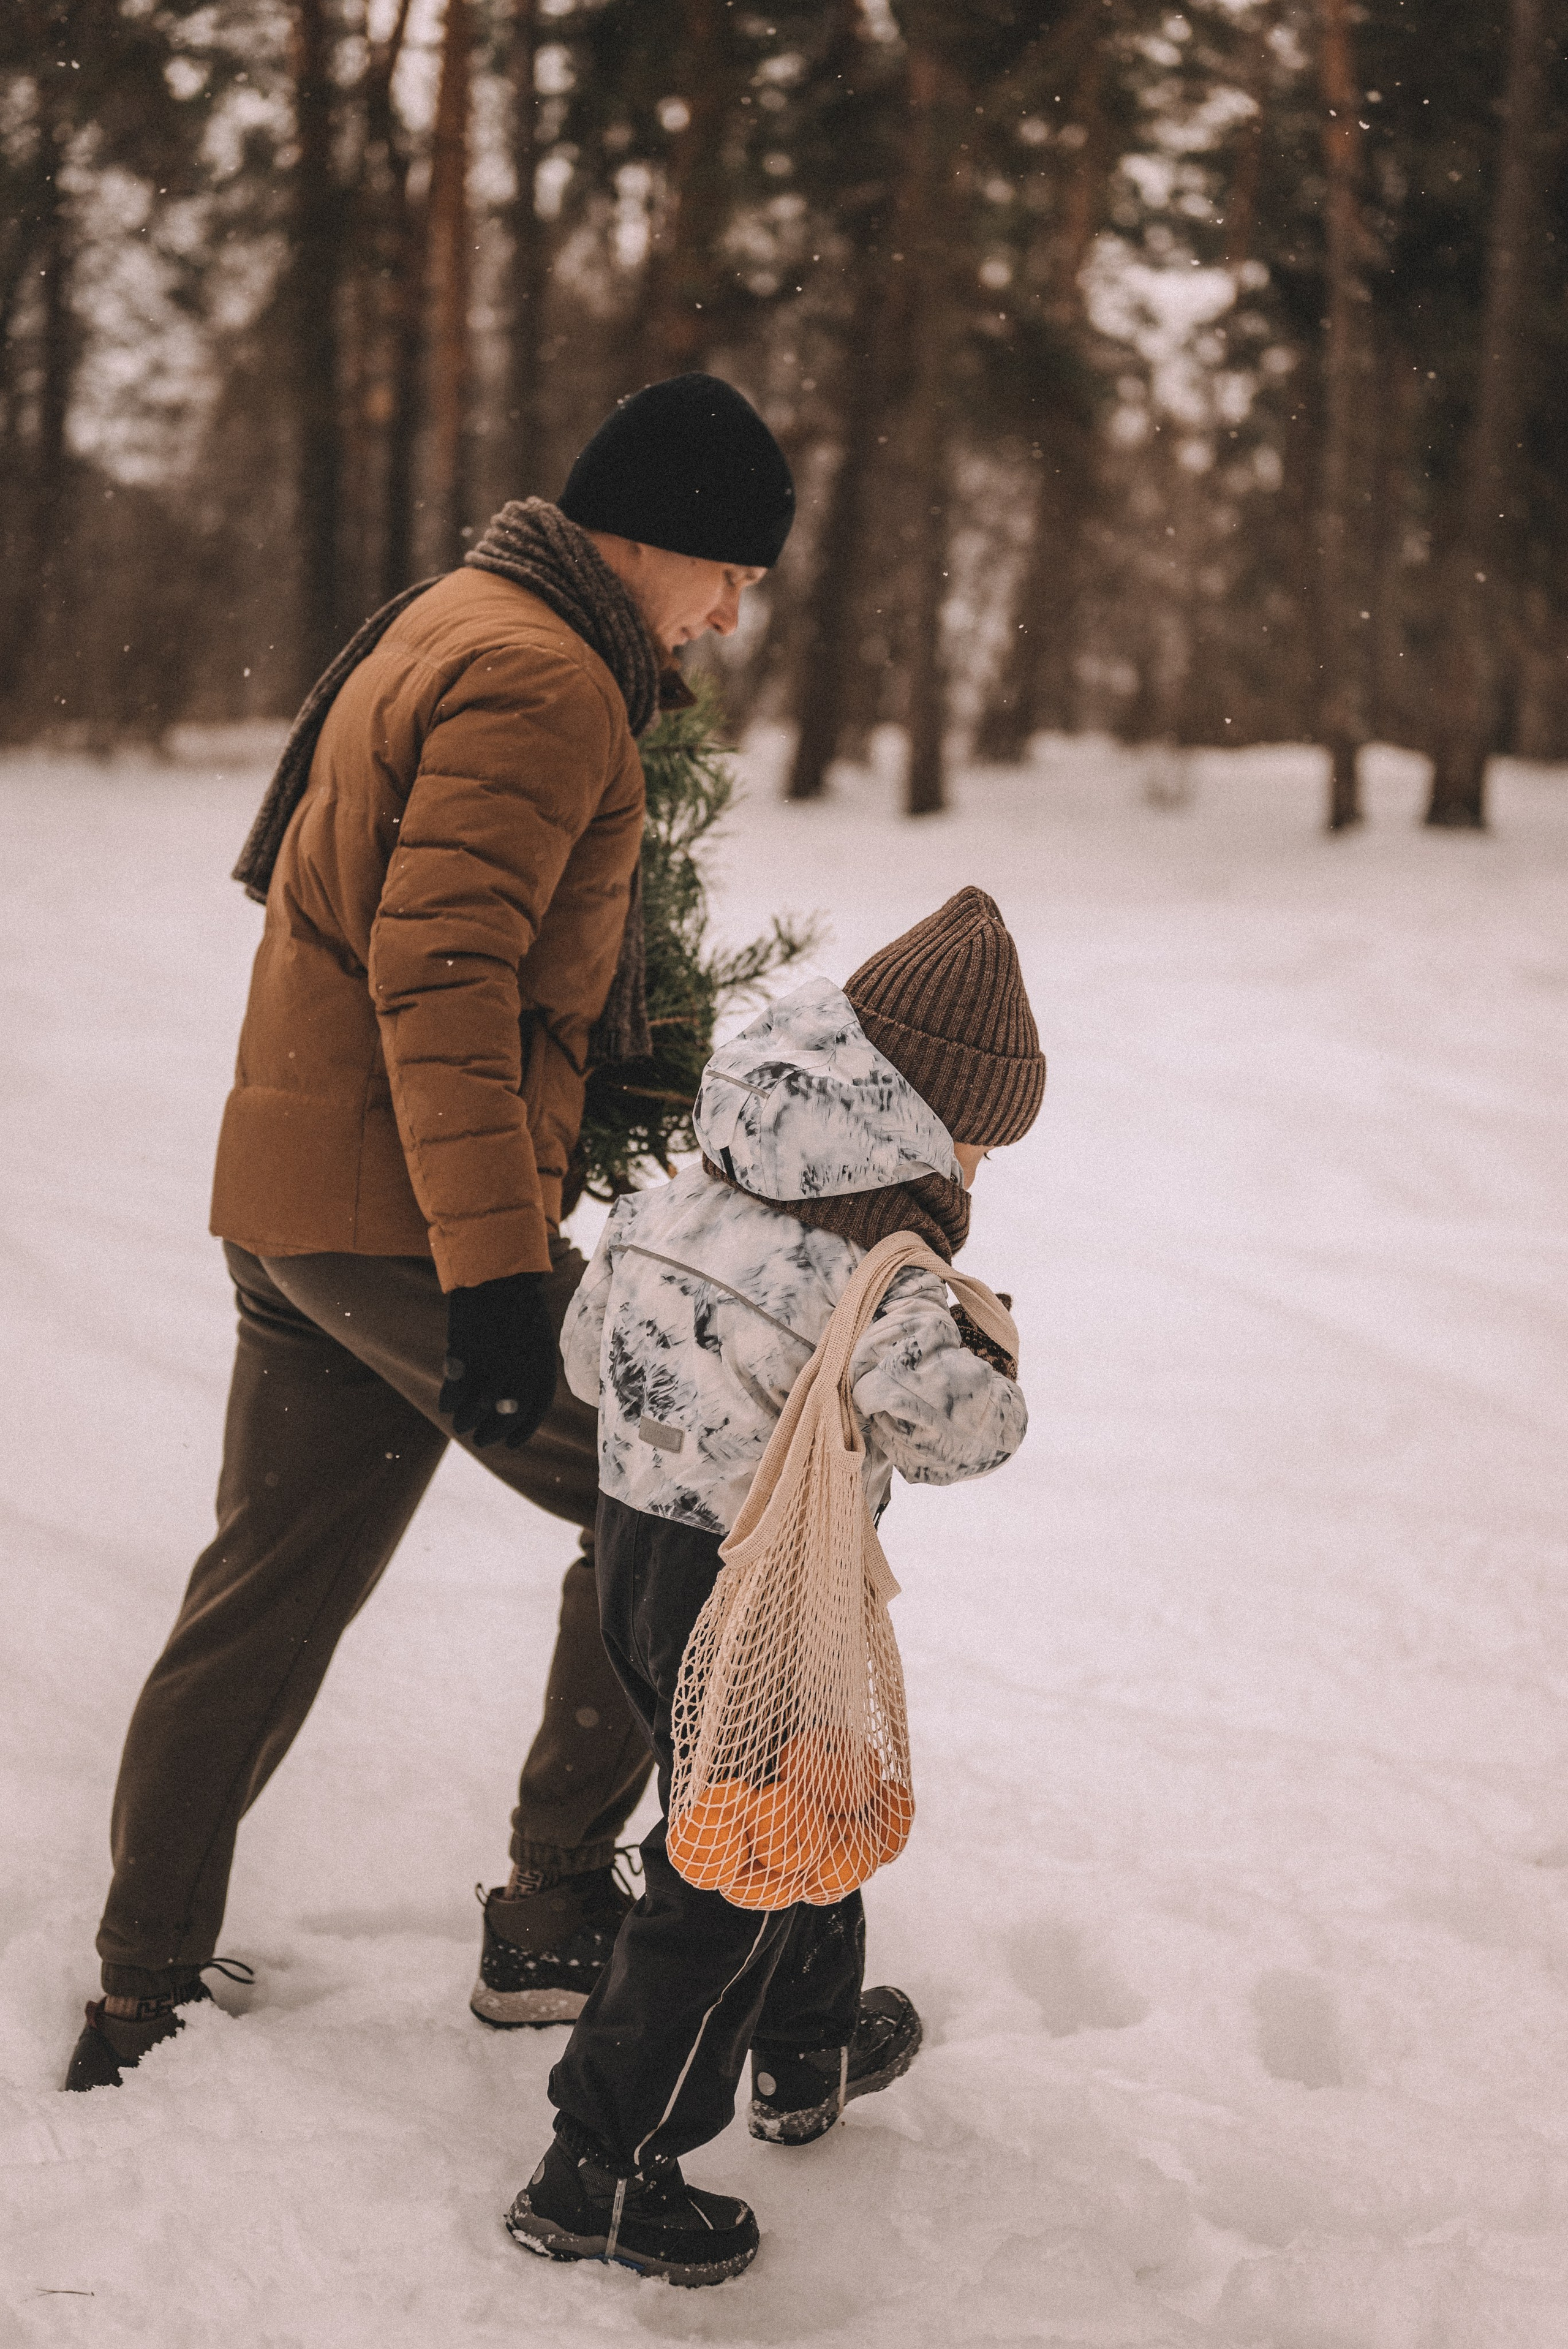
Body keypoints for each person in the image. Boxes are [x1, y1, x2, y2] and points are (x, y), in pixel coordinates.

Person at [65, 374, 795, 2092]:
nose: (734, 608)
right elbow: (446, 972)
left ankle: (143, 1983)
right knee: (674, 1502)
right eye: (732, 572)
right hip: (405, 1212)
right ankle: (552, 1913)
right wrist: (489, 1279)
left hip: (305, 1191)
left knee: (265, 1590)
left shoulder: (453, 614)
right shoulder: (546, 676)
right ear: (650, 535)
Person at [503, 887, 1045, 2285]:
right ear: (925, 1118)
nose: (981, 1166)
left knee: (791, 1802)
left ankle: (803, 2047)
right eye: (980, 1134)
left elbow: (582, 1358)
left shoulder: (682, 1191)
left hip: (634, 1550)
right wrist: (987, 1352)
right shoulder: (880, 1271)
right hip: (756, 1585)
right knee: (727, 1864)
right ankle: (598, 2165)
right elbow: (959, 1435)